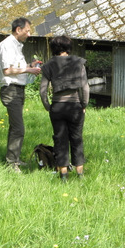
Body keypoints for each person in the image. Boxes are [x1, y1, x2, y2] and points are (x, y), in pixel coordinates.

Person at [39, 35, 89, 182]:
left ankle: (63, 175)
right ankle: (80, 174)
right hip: (75, 107)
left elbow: (42, 90)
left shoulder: (48, 65)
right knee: (76, 138)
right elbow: (85, 87)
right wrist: (84, 105)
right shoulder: (79, 63)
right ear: (68, 48)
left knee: (60, 140)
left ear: (54, 49)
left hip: (57, 107)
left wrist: (48, 106)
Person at [0, 17, 42, 172]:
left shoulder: (17, 46)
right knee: (19, 128)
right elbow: (7, 71)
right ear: (18, 29)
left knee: (15, 127)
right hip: (11, 90)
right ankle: (11, 164)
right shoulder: (7, 45)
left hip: (19, 89)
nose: (29, 34)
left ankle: (13, 159)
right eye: (27, 31)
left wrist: (30, 65)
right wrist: (28, 70)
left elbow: (17, 67)